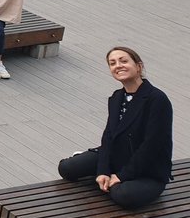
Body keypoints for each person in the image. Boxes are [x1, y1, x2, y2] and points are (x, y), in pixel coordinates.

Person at [58, 46, 173, 209]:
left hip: (148, 169)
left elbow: (152, 146)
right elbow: (108, 136)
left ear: (139, 66)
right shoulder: (116, 97)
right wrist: (103, 171)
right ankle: (103, 175)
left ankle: (116, 181)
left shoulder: (157, 99)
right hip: (117, 157)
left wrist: (121, 175)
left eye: (124, 61)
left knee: (123, 195)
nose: (118, 65)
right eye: (112, 63)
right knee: (67, 168)